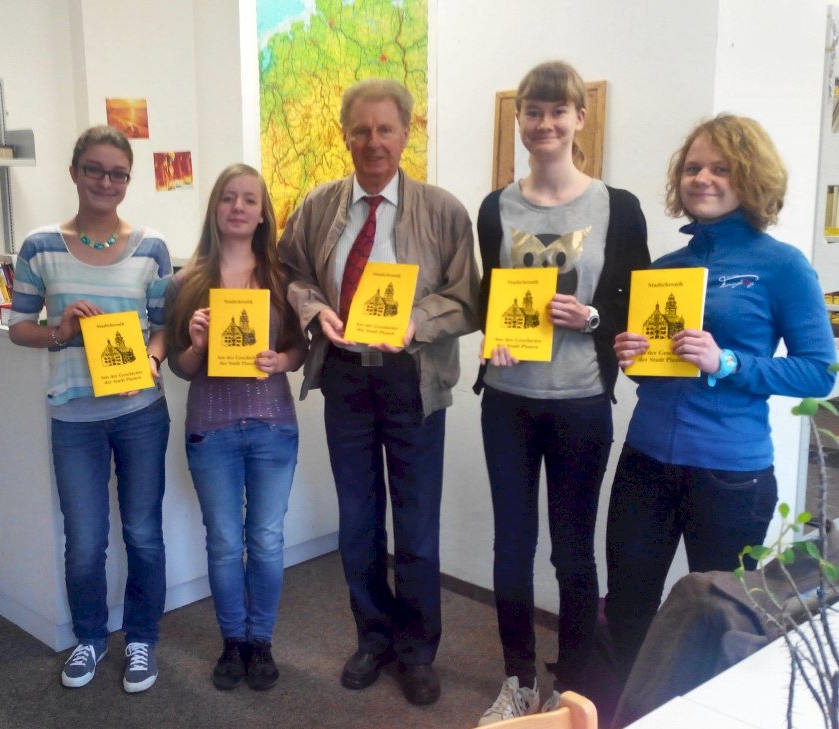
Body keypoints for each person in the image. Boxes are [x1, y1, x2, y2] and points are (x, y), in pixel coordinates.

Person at [604, 113, 837, 683]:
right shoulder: (666, 269)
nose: (702, 178)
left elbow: (819, 372)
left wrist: (727, 362)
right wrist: (635, 358)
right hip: (645, 461)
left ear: (751, 177)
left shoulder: (782, 265)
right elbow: (660, 377)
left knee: (719, 621)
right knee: (628, 608)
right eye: (692, 168)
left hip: (731, 476)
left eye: (721, 168)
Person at [277, 78, 480, 706]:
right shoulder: (318, 206)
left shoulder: (443, 210)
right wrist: (315, 310)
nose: (373, 142)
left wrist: (417, 321)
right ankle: (372, 636)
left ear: (406, 133)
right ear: (345, 135)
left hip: (412, 380)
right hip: (345, 374)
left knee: (415, 526)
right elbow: (290, 271)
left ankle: (417, 651)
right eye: (361, 130)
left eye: (385, 129)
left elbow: (467, 297)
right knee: (359, 520)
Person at [473, 61, 650, 725]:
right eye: (532, 111)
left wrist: (594, 317)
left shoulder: (617, 207)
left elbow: (637, 305)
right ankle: (520, 681)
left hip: (581, 401)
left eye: (557, 110)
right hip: (508, 400)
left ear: (579, 117)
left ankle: (572, 687)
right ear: (519, 119)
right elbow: (491, 297)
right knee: (511, 547)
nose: (544, 123)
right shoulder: (495, 207)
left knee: (573, 553)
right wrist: (492, 337)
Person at [8, 125, 172, 693]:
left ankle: (142, 639)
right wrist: (61, 331)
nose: (106, 182)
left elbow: (164, 326)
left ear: (128, 179)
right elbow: (18, 328)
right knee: (84, 541)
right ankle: (90, 639)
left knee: (144, 533)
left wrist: (151, 360)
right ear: (74, 172)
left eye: (118, 173)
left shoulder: (151, 246)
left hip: (140, 412)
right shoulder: (40, 246)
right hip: (74, 417)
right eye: (95, 170)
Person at [164, 164, 306, 691]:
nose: (239, 207)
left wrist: (281, 361)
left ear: (263, 212)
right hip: (212, 430)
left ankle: (261, 641)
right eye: (228, 198)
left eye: (249, 199)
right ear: (215, 208)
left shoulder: (282, 279)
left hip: (272, 427)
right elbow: (180, 367)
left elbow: (299, 349)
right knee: (224, 542)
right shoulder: (185, 282)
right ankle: (233, 642)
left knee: (266, 540)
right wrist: (198, 345)